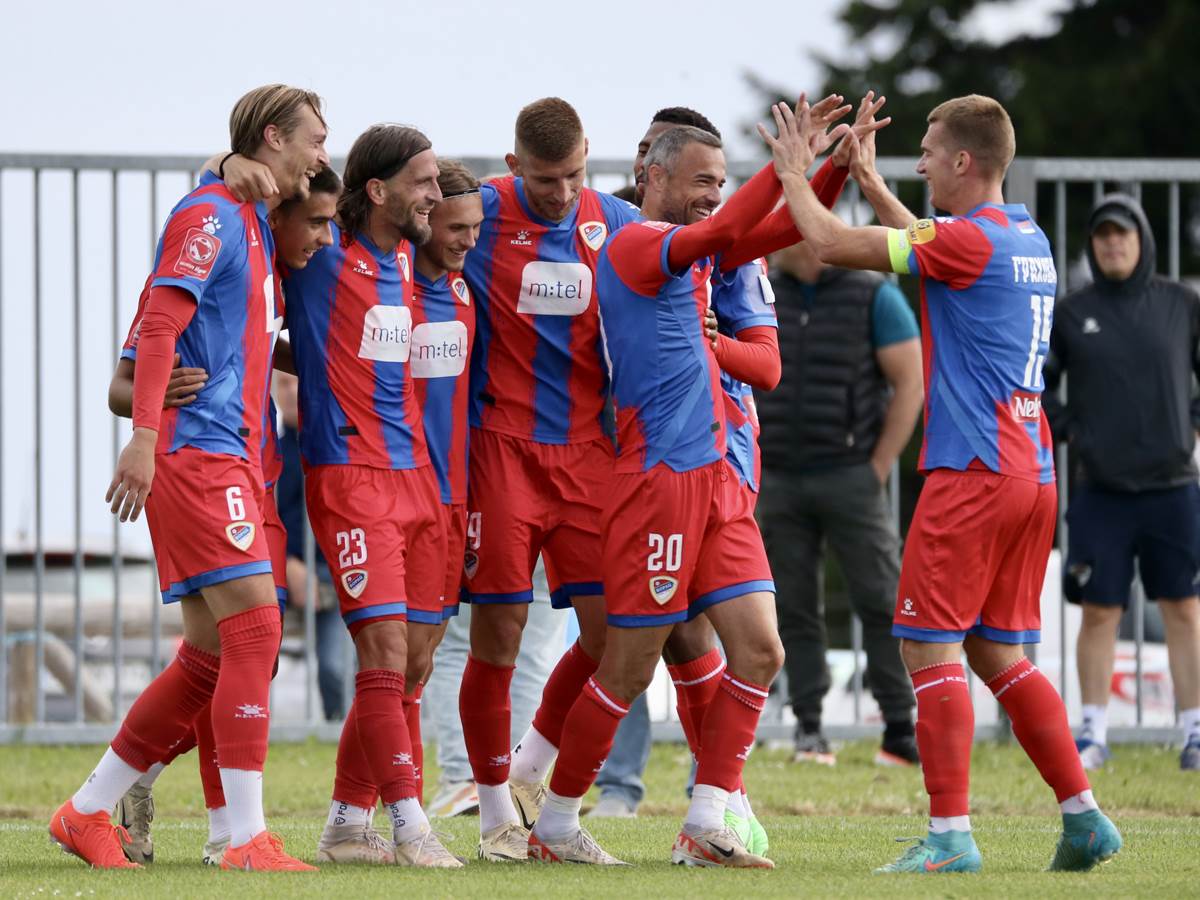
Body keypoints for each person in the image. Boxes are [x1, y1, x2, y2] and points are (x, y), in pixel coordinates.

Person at [767, 90, 1122, 873]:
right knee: (999, 653)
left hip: (972, 472)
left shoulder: (968, 243)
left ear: (964, 161)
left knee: (927, 649)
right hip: (1030, 470)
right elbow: (932, 243)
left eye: (927, 152)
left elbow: (825, 242)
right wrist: (872, 183)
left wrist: (795, 172)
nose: (918, 163)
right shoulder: (1021, 233)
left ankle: (951, 836)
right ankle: (1084, 817)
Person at [527, 100, 853, 868]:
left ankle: (707, 821)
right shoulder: (636, 246)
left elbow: (778, 230)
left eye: (721, 180)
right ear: (652, 175)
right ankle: (555, 822)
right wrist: (787, 168)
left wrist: (838, 164)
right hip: (660, 478)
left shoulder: (702, 252)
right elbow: (733, 229)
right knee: (630, 665)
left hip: (717, 478)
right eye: (701, 179)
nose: (713, 192)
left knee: (761, 650)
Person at [51, 84, 329, 872]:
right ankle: (243, 839)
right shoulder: (208, 215)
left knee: (210, 656)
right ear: (274, 136)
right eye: (314, 137)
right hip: (198, 450)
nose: (322, 152)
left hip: (226, 451)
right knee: (258, 629)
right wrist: (142, 437)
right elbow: (163, 323)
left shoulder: (246, 215)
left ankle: (88, 810)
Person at [103, 167, 341, 866]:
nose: (325, 241)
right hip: (205, 467)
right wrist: (146, 420)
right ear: (280, 215)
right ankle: (229, 833)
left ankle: (147, 796)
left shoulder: (274, 272)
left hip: (253, 473)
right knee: (248, 641)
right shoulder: (221, 233)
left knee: (227, 659)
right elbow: (130, 370)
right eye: (317, 224)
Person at [454, 98, 641, 863]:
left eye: (573, 175)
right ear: (512, 166)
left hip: (590, 457)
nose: (561, 193)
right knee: (498, 637)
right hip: (501, 452)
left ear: (588, 156)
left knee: (611, 637)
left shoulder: (617, 221)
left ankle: (533, 774)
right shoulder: (477, 216)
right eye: (543, 179)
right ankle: (496, 812)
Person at [272, 124, 460, 868]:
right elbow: (235, 200)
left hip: (417, 477)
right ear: (377, 191)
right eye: (423, 182)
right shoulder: (320, 255)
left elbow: (338, 343)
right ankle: (412, 825)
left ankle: (348, 825)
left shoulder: (411, 261)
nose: (435, 196)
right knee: (381, 652)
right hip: (348, 477)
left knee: (412, 662)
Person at [1043, 194, 1200, 772]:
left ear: (1142, 240)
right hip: (1100, 492)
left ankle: (1194, 732)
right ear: (1092, 243)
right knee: (1101, 611)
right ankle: (1093, 732)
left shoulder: (1182, 303)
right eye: (1103, 234)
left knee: (1184, 607)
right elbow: (1040, 387)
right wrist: (1073, 431)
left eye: (1123, 234)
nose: (1113, 243)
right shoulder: (1071, 312)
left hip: (1173, 487)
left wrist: (1191, 428)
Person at [757, 233, 922, 768]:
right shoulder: (762, 289)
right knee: (794, 604)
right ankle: (809, 727)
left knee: (879, 597)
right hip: (779, 475)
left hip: (850, 475)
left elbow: (911, 383)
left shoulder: (873, 293)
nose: (769, 238)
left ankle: (900, 728)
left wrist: (876, 467)